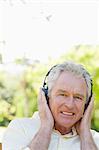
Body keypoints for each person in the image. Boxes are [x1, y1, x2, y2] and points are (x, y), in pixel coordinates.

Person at [2, 61, 99, 150]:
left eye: (78, 97)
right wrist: (46, 128)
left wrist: (85, 135)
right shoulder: (20, 129)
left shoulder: (95, 140)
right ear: (46, 97)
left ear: (87, 104)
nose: (70, 105)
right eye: (63, 94)